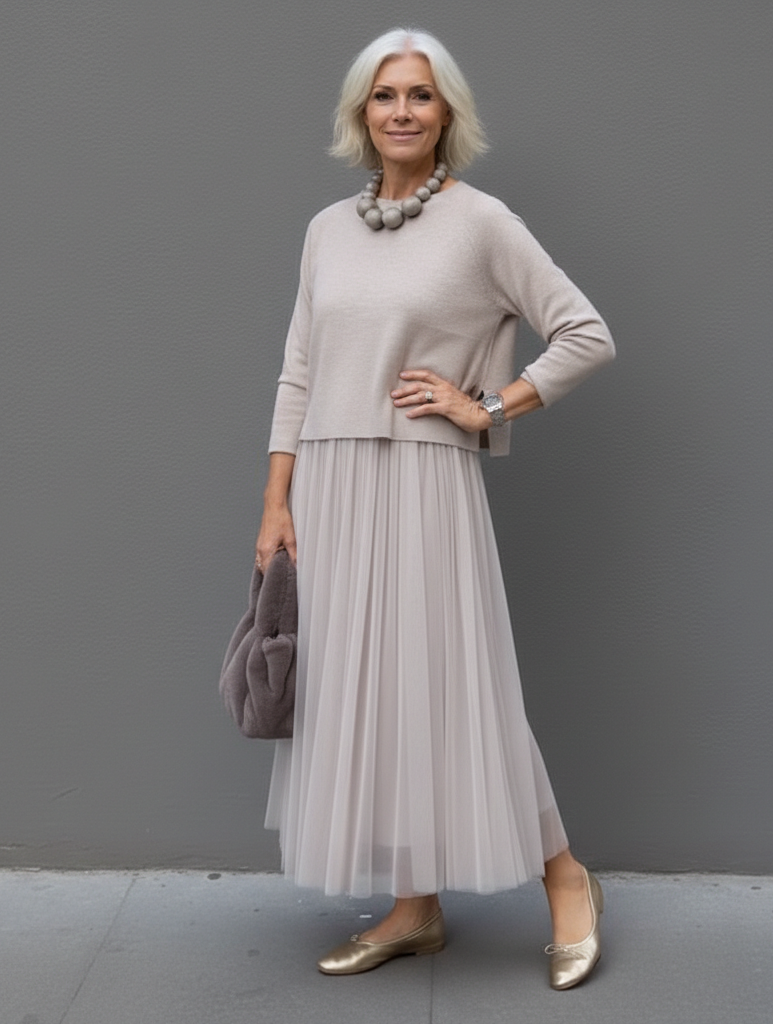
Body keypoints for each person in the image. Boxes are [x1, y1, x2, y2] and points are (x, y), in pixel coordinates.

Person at [255, 27, 615, 990]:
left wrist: (487, 405)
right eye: (384, 95)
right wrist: (276, 502)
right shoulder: (327, 230)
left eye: (419, 94)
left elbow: (585, 333)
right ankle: (414, 908)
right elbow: (298, 372)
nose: (401, 111)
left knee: (457, 691)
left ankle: (566, 877)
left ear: (446, 110)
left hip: (423, 483)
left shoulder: (482, 222)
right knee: (368, 698)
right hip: (330, 486)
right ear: (360, 112)